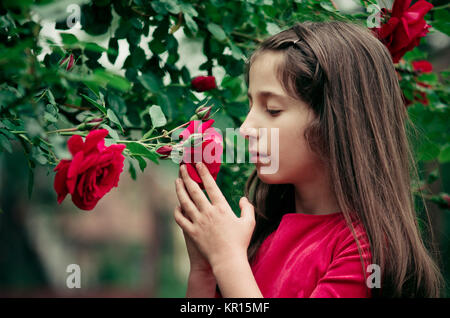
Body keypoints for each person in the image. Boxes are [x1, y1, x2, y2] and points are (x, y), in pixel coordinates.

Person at [174, 21, 444, 298]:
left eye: (273, 109)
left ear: (337, 121)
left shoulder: (368, 254)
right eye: (251, 105)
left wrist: (227, 261)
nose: (245, 128)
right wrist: (204, 269)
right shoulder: (260, 236)